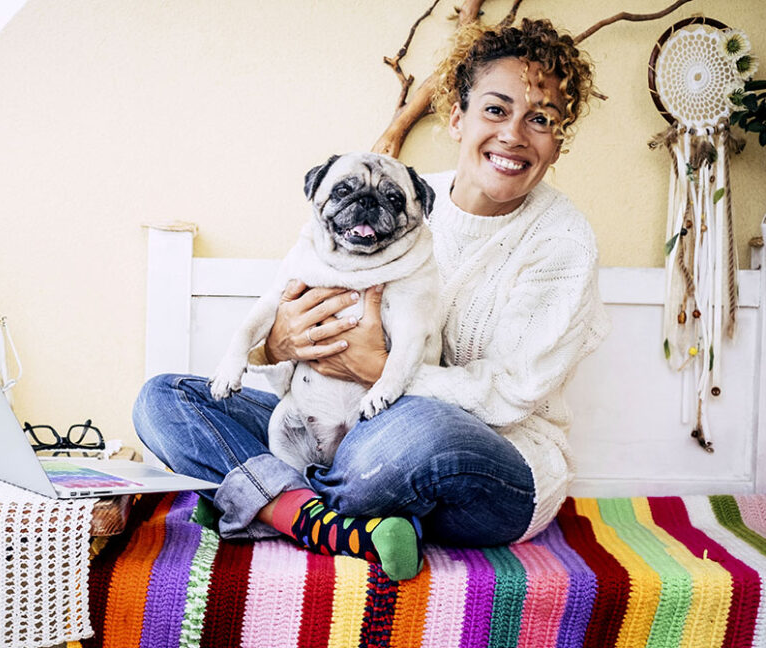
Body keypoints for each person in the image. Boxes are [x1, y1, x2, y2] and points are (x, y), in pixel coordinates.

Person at [133, 17, 609, 582]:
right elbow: (299, 344)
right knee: (164, 400)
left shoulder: (562, 242)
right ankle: (321, 518)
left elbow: (509, 399)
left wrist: (376, 368)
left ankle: (259, 497)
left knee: (410, 436)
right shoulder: (397, 194)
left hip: (488, 462)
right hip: (347, 424)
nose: (513, 134)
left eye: (541, 119)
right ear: (456, 117)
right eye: (496, 109)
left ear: (558, 141)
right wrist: (277, 345)